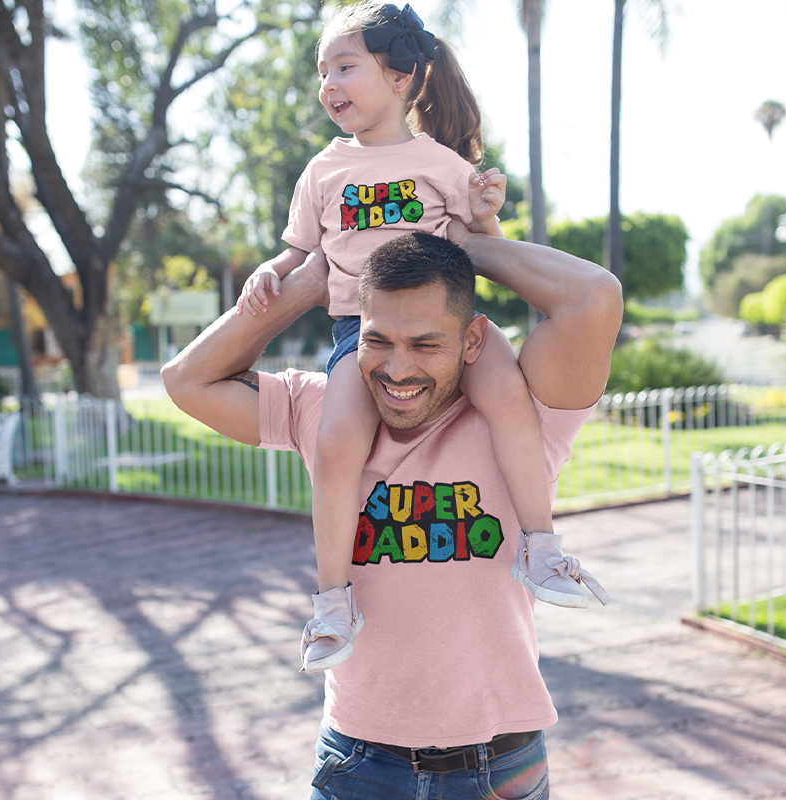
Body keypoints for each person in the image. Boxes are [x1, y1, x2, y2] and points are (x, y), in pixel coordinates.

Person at [162, 222, 622, 798]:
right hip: (359, 765)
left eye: (426, 345)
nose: (397, 370)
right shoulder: (324, 413)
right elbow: (187, 379)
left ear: (472, 341)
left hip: (498, 769)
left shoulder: (524, 419)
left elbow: (593, 295)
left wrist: (466, 245)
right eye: (377, 341)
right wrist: (307, 287)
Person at [234, 1, 606, 676]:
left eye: (345, 67)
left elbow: (488, 250)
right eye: (323, 72)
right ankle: (332, 602)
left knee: (509, 399)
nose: (329, 84)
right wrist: (270, 270)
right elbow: (298, 251)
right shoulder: (322, 171)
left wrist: (486, 216)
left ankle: (541, 548)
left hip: (451, 328)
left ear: (401, 76)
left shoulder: (441, 162)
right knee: (336, 445)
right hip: (362, 333)